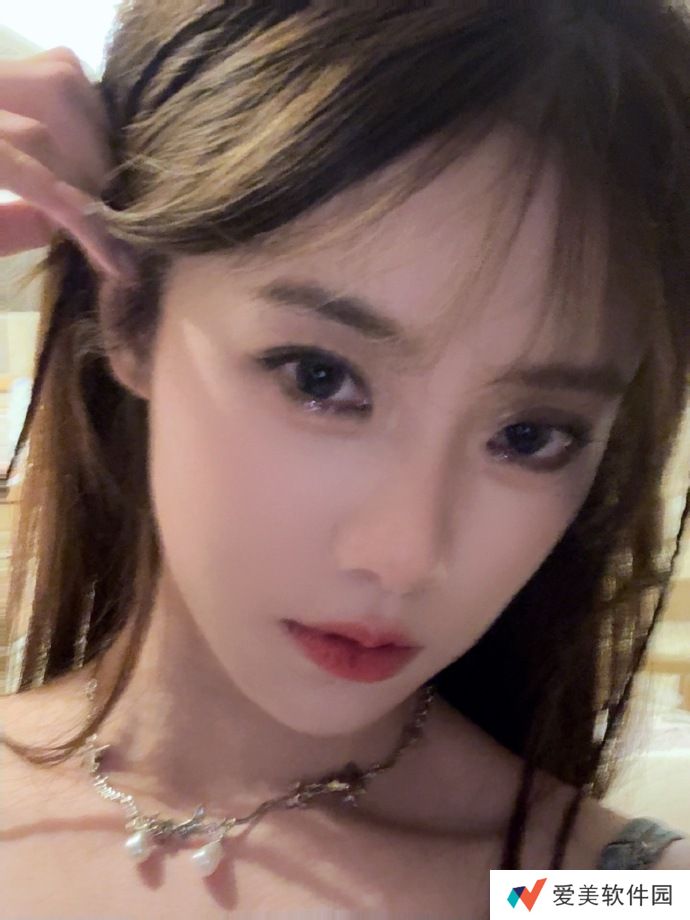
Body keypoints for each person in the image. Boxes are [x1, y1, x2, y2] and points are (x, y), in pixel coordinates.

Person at [1, 2, 690, 916]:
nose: (404, 556)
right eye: (319, 377)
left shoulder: (596, 891)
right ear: (128, 311)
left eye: (530, 435)